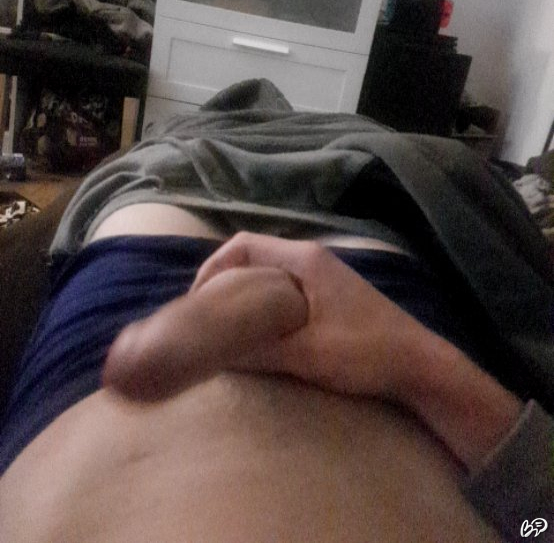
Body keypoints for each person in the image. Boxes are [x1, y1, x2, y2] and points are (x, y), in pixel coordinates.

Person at [0, 80, 553, 542]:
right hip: (377, 298)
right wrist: (414, 364)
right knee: (343, 163)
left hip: (145, 255)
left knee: (181, 159)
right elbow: (540, 527)